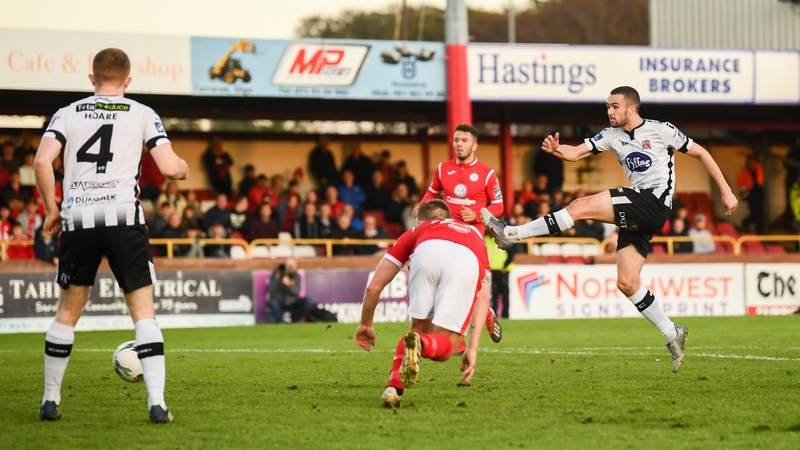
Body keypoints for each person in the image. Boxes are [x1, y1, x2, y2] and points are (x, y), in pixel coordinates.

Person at [482, 86, 738, 373]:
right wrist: (557, 150)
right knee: (627, 282)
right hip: (638, 208)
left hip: (654, 203)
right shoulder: (611, 135)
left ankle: (512, 234)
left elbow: (701, 152)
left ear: (631, 108)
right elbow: (576, 153)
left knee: (580, 206)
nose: (609, 111)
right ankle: (672, 333)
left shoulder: (660, 130)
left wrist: (726, 192)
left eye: (614, 106)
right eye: (607, 106)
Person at [34, 48, 187, 422]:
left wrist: (53, 210)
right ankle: (157, 404)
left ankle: (51, 401)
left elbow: (40, 161)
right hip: (122, 216)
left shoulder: (67, 113)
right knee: (143, 312)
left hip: (78, 217)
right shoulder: (142, 113)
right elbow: (169, 168)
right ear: (128, 81)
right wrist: (181, 168)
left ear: (92, 79)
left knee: (68, 311)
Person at [354, 200, 490, 408]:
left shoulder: (416, 231)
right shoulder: (474, 234)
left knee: (417, 330)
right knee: (449, 345)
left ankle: (393, 388)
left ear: (421, 221)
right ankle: (420, 346)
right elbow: (482, 296)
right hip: (466, 256)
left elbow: (373, 287)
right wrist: (472, 348)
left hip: (426, 251)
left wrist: (365, 324)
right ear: (447, 217)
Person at [419, 124, 504, 342]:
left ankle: (486, 313)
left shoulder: (487, 174)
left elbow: (499, 206)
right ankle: (456, 342)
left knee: (478, 285)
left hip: (472, 238)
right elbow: (431, 193)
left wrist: (476, 214)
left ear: (474, 145)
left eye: (464, 141)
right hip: (446, 236)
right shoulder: (442, 169)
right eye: (456, 140)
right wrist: (421, 210)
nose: (459, 144)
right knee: (442, 284)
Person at [267, 257, 311, 323]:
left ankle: (294, 321)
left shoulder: (296, 276)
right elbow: (271, 289)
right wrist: (277, 277)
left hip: (292, 302)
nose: (289, 268)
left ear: (295, 266)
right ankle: (281, 323)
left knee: (308, 301)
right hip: (279, 302)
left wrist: (289, 285)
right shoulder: (277, 273)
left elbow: (296, 292)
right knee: (273, 302)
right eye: (287, 265)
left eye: (291, 266)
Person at [485, 232, 514, 319]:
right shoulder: (487, 239)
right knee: (495, 294)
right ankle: (494, 314)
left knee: (504, 293)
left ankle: (505, 315)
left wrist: (505, 267)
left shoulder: (503, 240)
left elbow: (511, 254)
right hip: (493, 270)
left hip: (503, 271)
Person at [737, 154, 765, 234]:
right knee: (755, 214)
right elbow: (741, 184)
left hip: (760, 193)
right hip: (750, 195)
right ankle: (745, 223)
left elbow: (761, 180)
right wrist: (744, 195)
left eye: (753, 161)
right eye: (750, 161)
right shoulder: (743, 171)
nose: (751, 163)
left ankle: (760, 233)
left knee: (761, 215)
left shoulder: (759, 168)